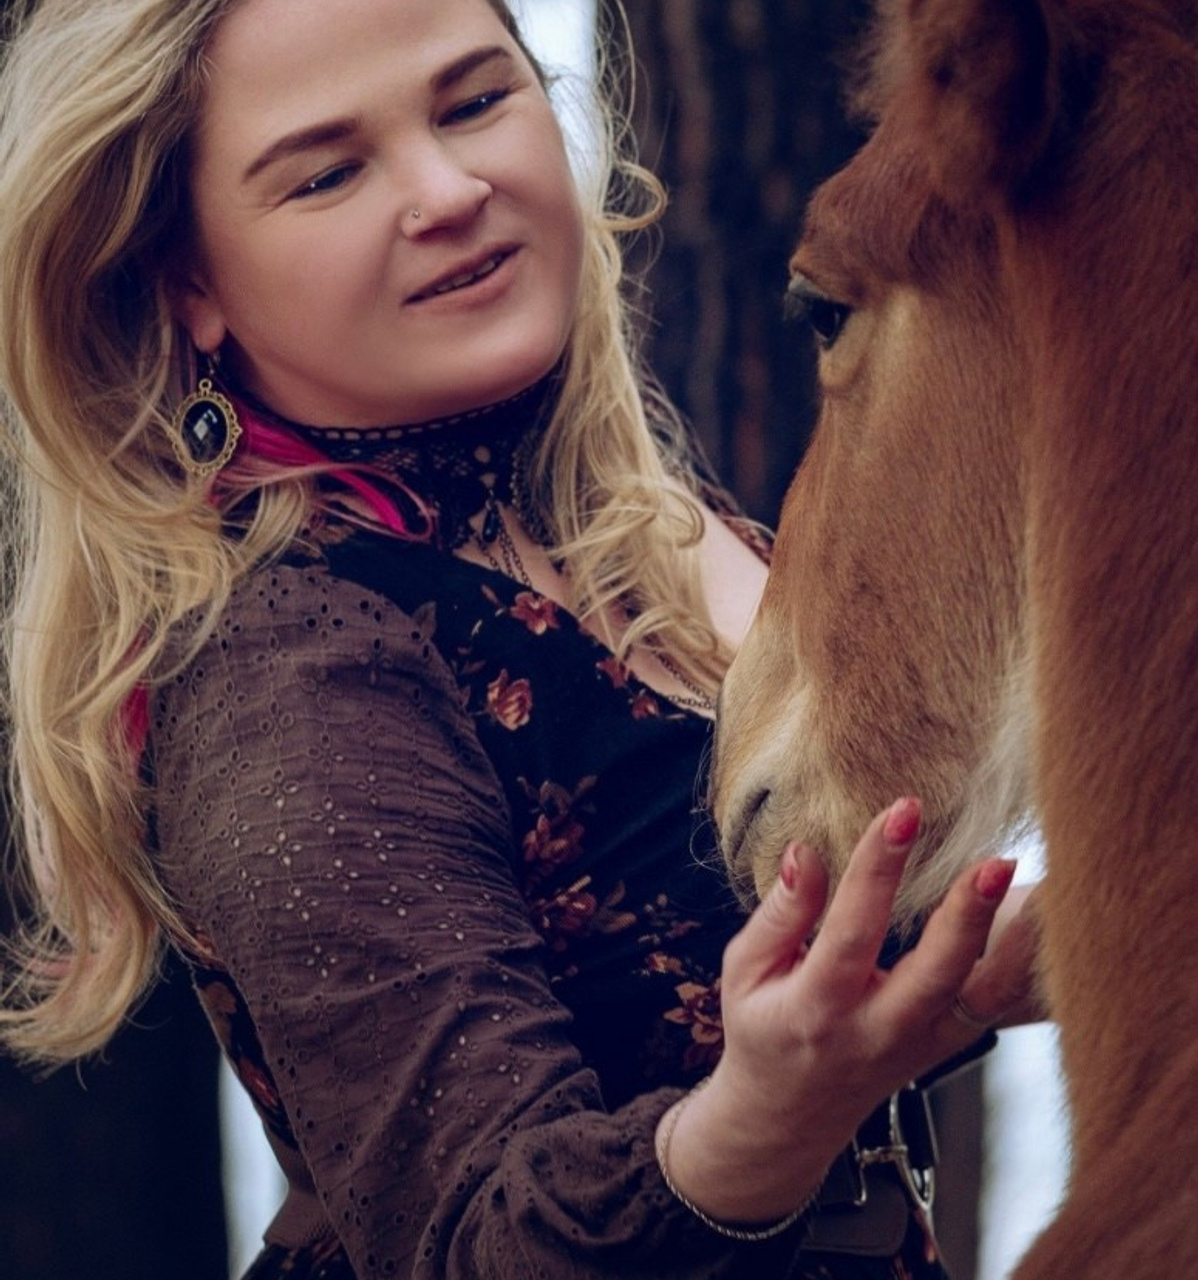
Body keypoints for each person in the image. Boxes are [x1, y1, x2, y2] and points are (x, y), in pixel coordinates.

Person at [0, 0, 1040, 1276]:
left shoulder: (634, 533)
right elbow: (472, 1238)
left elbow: (753, 989)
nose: (446, 189)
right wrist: (760, 1124)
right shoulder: (291, 668)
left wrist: (1010, 961)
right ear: (190, 285)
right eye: (328, 171)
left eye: (474, 101)